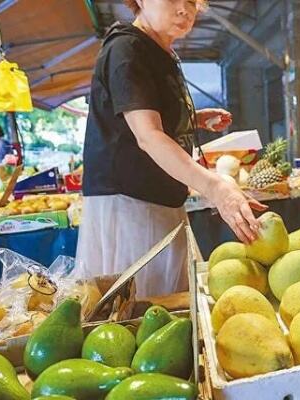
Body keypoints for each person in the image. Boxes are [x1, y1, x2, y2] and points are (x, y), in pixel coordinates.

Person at [76, 0, 266, 297]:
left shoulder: (158, 50)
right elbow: (148, 136)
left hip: (160, 198)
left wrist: (191, 119)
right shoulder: (127, 49)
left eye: (191, 1)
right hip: (131, 205)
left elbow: (146, 114)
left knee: (173, 303)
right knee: (146, 309)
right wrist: (214, 188)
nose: (184, 9)